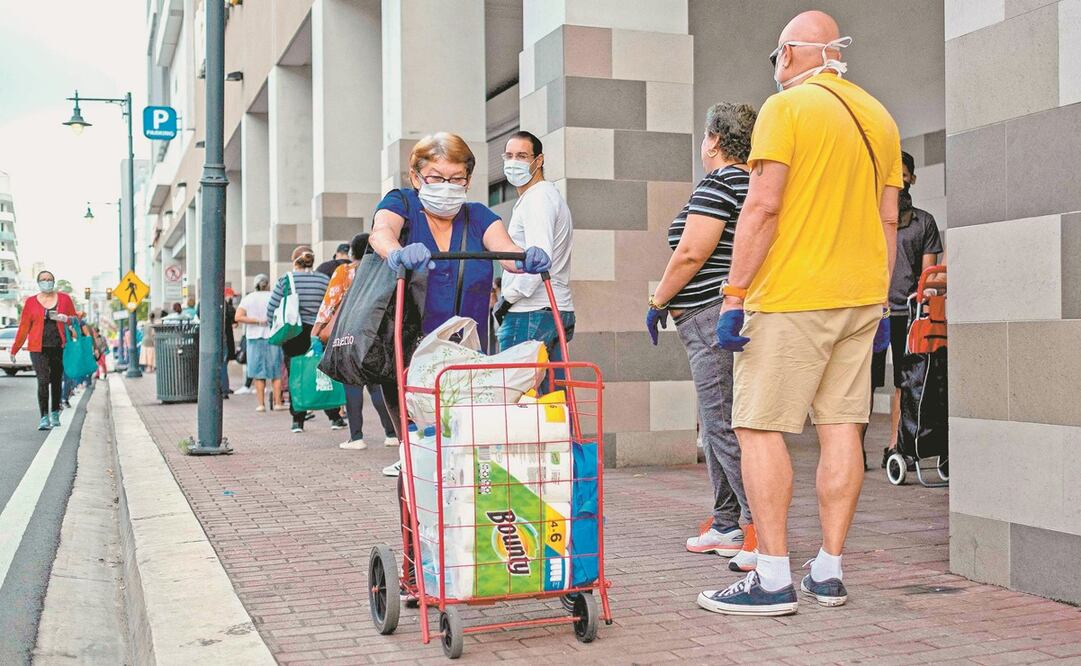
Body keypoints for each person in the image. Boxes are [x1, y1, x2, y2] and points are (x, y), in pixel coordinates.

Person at [702, 10, 901, 617]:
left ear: (790, 55)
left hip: (792, 296)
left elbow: (761, 208)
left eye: (776, 58)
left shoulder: (784, 110)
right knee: (842, 427)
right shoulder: (880, 117)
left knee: (759, 426)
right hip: (861, 298)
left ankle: (772, 576)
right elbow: (889, 217)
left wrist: (734, 294)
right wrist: (882, 296)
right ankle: (829, 570)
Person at [368, 132, 551, 575]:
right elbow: (381, 233)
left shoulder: (478, 215)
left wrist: (526, 257)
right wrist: (396, 252)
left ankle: (469, 548)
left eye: (457, 179)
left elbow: (505, 251)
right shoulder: (402, 203)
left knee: (468, 452)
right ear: (416, 176)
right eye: (436, 177)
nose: (447, 187)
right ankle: (418, 557)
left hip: (465, 362)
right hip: (408, 358)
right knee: (419, 456)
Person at [646, 103, 757, 573]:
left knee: (723, 425)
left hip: (709, 314)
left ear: (713, 139)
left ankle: (756, 528)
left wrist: (657, 302)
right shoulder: (752, 182)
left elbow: (692, 252)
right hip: (722, 313)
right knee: (719, 424)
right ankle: (728, 522)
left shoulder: (721, 182)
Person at [872, 151, 942, 467]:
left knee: (905, 382)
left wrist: (923, 308)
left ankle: (896, 446)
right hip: (872, 314)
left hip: (907, 316)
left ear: (911, 178)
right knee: (863, 386)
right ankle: (852, 450)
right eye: (892, 175)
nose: (898, 181)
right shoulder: (869, 219)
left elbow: (928, 277)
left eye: (903, 175)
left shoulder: (924, 222)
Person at [496, 131, 575, 387]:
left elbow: (538, 260)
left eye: (522, 156)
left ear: (538, 160)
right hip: (553, 310)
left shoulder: (537, 198)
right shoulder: (545, 197)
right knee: (552, 406)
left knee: (519, 402)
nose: (513, 162)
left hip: (529, 312)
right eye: (509, 156)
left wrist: (507, 300)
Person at [313, 233, 399, 450]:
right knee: (376, 385)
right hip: (375, 334)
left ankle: (356, 437)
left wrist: (317, 330)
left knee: (351, 383)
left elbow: (330, 303)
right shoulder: (384, 269)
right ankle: (391, 433)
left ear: (352, 252)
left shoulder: (345, 271)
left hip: (348, 333)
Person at [266, 246, 346, 433]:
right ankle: (334, 416)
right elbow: (332, 305)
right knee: (324, 373)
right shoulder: (323, 280)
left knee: (296, 376)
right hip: (319, 333)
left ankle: (297, 420)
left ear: (295, 261)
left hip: (294, 334)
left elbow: (271, 309)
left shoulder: (286, 280)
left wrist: (276, 327)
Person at [10, 271, 78, 430]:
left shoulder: (64, 299)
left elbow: (76, 320)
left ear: (54, 282)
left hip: (58, 347)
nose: (46, 282)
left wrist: (65, 318)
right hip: (37, 348)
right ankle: (43, 417)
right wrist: (14, 349)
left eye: (49, 280)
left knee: (56, 380)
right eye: (43, 280)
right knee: (42, 381)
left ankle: (54, 412)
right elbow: (23, 328)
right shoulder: (31, 302)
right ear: (38, 282)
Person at [236, 274, 285, 412]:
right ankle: (277, 403)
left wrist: (257, 321)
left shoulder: (248, 298)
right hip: (273, 337)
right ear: (268, 284)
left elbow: (238, 317)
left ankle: (261, 404)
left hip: (254, 338)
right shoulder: (274, 296)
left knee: (258, 373)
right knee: (276, 371)